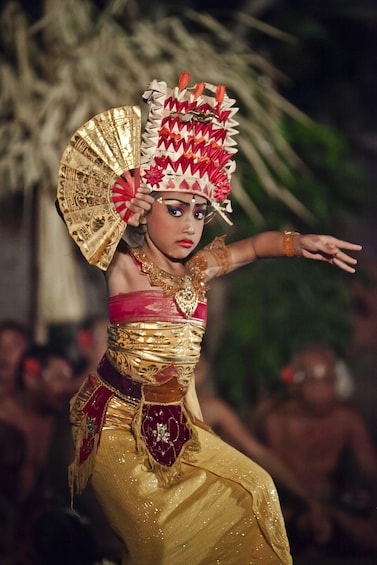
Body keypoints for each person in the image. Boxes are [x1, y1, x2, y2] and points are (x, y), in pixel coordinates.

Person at [57, 72, 361, 565]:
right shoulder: (125, 265)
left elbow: (251, 248)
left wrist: (301, 244)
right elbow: (78, 215)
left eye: (200, 213)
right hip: (114, 424)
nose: (189, 225)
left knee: (257, 489)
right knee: (155, 543)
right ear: (143, 208)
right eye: (174, 210)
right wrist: (119, 213)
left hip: (177, 423)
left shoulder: (199, 270)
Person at [255, 344, 377, 555]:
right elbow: (273, 476)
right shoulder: (278, 420)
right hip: (290, 504)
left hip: (333, 501)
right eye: (313, 381)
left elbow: (371, 471)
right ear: (295, 383)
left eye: (327, 381)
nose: (321, 391)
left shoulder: (347, 418)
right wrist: (308, 506)